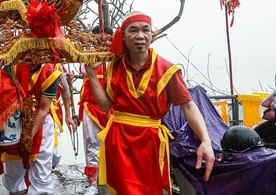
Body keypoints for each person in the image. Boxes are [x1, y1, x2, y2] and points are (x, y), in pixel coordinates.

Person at [84, 11, 215, 195]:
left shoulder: (167, 70)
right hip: (118, 140)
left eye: (146, 30)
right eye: (133, 30)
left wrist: (205, 140)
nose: (140, 36)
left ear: (151, 35)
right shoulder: (115, 67)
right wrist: (91, 75)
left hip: (149, 143)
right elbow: (106, 106)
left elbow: (187, 105)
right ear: (123, 36)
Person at [0, 63, 62, 195]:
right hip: (14, 122)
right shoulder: (12, 66)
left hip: (41, 124)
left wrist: (28, 137)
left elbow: (44, 109)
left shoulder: (50, 70)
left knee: (42, 170)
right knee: (13, 171)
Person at [78, 25, 113, 193]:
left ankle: (113, 181)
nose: (103, 41)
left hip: (113, 109)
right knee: (92, 144)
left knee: (114, 145)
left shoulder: (118, 58)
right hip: (91, 108)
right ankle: (92, 182)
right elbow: (83, 67)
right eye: (99, 38)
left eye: (107, 38)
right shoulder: (87, 57)